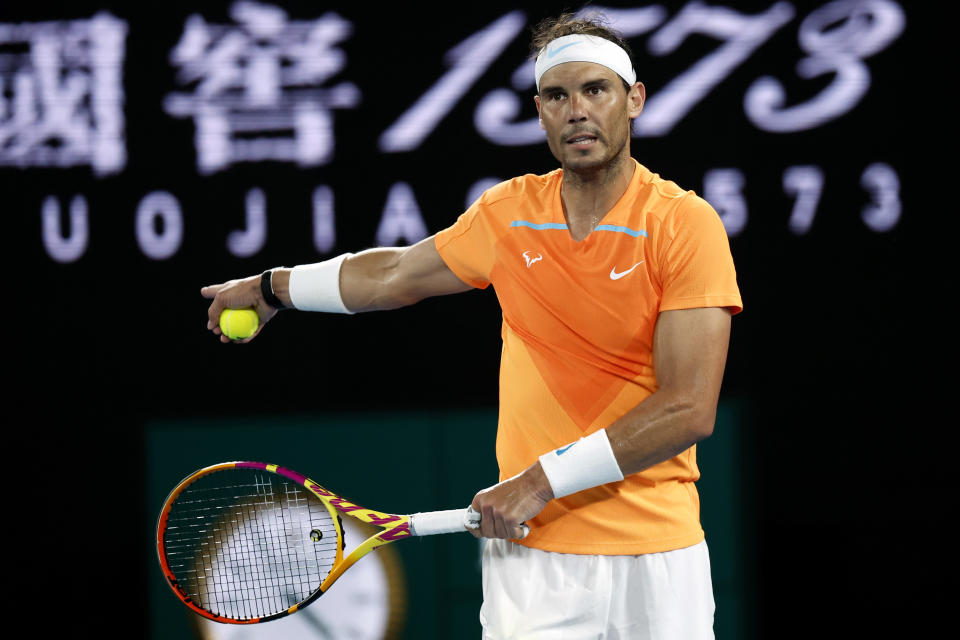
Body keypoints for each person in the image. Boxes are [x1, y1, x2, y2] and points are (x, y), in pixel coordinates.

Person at [202, 13, 742, 640]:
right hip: (533, 559)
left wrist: (538, 483)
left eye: (596, 90)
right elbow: (394, 275)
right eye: (557, 96)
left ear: (634, 100)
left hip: (659, 557)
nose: (577, 111)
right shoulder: (509, 214)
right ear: (538, 111)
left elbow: (688, 409)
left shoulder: (683, 224)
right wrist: (275, 286)